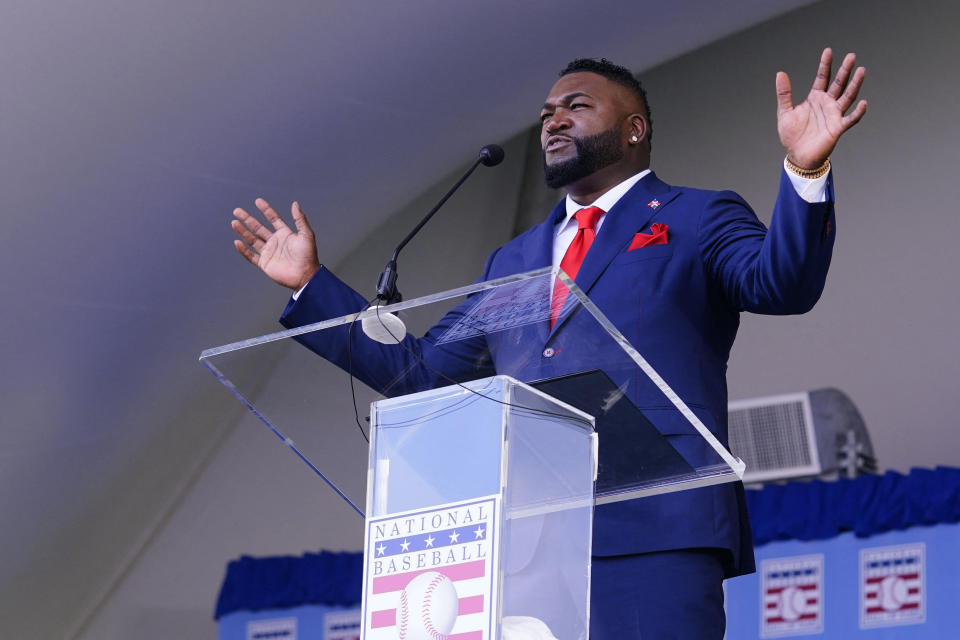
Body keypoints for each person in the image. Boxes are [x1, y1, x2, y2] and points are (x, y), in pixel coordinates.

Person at [231, 49, 866, 638]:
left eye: (577, 106)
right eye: (545, 114)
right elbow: (423, 372)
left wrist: (805, 168)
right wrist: (313, 287)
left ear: (634, 130)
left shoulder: (695, 217)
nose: (553, 120)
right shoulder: (515, 260)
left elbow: (781, 283)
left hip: (658, 535)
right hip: (528, 547)